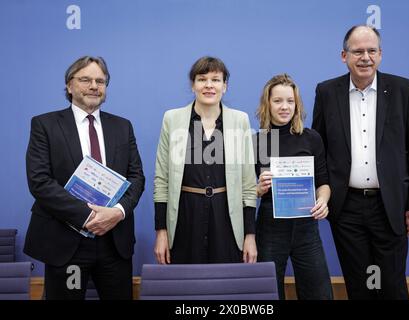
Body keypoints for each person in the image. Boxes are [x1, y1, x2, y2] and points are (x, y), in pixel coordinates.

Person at [312, 25, 409, 299]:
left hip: (390, 206)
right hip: (346, 208)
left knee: (392, 285)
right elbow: (319, 150)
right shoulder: (327, 92)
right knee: (359, 284)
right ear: (344, 56)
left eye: (371, 51)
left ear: (380, 54)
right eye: (358, 51)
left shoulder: (404, 89)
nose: (365, 57)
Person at [24, 56, 145, 300]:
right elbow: (40, 181)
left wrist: (118, 212)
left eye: (100, 81)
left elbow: (136, 177)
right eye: (85, 79)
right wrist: (89, 216)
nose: (94, 86)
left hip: (114, 242)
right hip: (66, 243)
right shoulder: (45, 125)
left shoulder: (123, 126)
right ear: (69, 86)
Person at [153, 56, 257, 264]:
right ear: (193, 85)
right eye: (202, 79)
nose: (209, 85)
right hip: (184, 217)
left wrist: (250, 236)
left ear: (225, 86)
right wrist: (161, 232)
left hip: (226, 218)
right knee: (186, 286)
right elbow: (162, 180)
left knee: (224, 287)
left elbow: (248, 184)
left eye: (216, 80)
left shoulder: (240, 120)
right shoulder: (172, 119)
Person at [254, 74, 333, 300]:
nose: (284, 106)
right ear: (267, 104)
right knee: (268, 294)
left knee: (319, 294)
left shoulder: (311, 138)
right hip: (270, 227)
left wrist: (323, 201)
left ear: (297, 104)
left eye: (290, 101)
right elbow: (247, 190)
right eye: (278, 101)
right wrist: (259, 188)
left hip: (307, 226)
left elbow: (323, 182)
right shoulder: (257, 141)